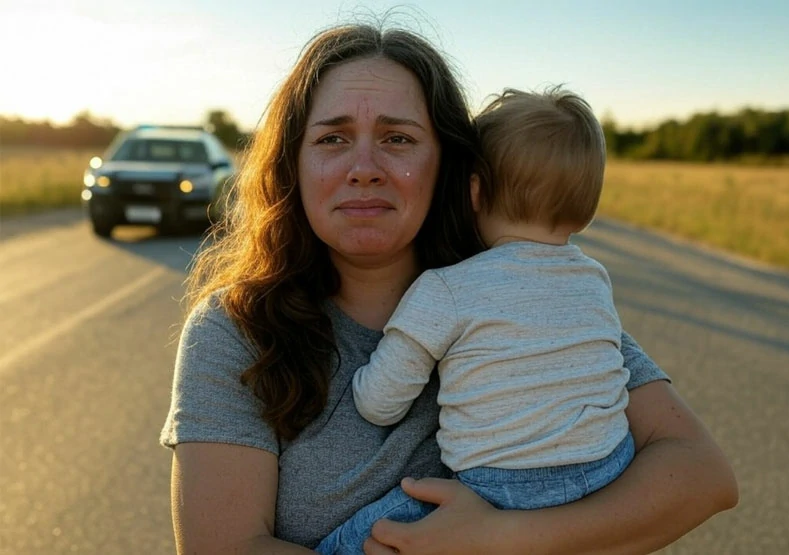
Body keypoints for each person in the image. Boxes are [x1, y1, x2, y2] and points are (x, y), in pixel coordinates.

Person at [160, 21, 738, 555]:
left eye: (399, 139)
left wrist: (498, 539)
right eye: (333, 139)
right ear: (293, 165)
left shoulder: (528, 297)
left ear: (453, 172)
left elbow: (702, 476)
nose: (364, 166)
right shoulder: (235, 329)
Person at [315, 87, 637, 554]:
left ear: (474, 190)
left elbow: (380, 404)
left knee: (360, 539)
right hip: (609, 468)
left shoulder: (448, 288)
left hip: (500, 490)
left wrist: (363, 380)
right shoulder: (594, 280)